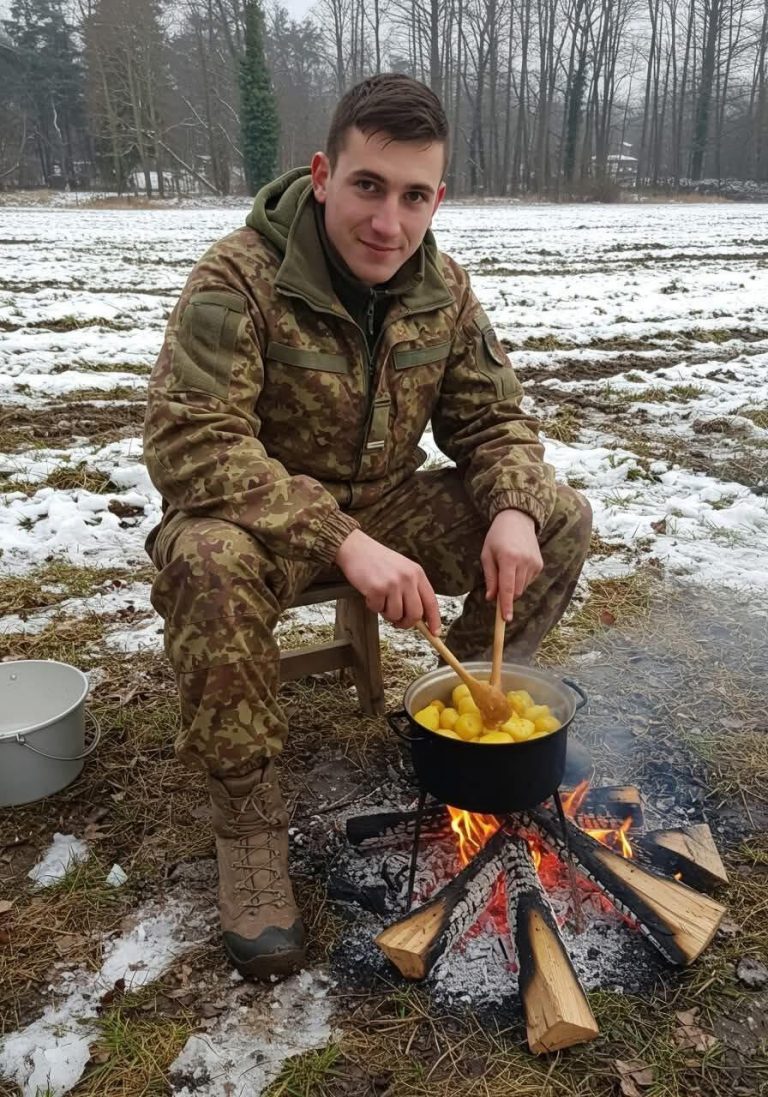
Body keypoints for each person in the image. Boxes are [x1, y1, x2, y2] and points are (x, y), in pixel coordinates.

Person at [143, 73, 592, 982]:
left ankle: (453, 721)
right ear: (322, 175)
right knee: (206, 562)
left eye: (414, 195)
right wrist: (343, 541)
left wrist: (510, 505)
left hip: (387, 501)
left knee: (559, 515)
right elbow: (191, 440)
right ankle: (250, 830)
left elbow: (494, 422)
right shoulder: (239, 279)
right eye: (368, 186)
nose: (388, 221)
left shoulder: (444, 290)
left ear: (438, 198)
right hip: (256, 517)